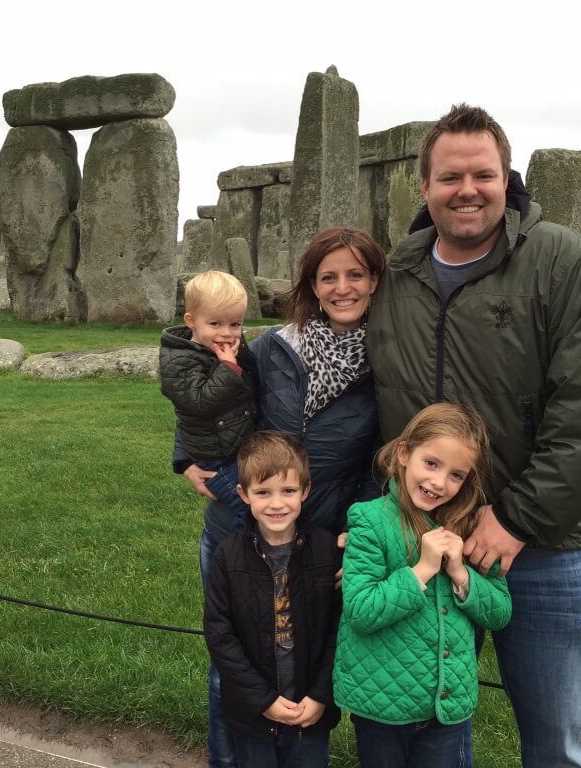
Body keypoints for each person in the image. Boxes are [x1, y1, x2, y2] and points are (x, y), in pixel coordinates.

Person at [367, 104, 581, 767]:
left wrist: (516, 518)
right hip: (420, 540)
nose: (467, 190)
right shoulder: (397, 274)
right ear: (423, 185)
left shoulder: (564, 261)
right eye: (450, 176)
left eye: (483, 174)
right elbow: (352, 390)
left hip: (545, 549)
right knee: (425, 729)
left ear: (507, 178)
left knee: (559, 748)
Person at [177, 226, 385, 768]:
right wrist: (185, 456)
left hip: (318, 543)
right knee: (233, 660)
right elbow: (209, 400)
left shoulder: (387, 361)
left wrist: (359, 530)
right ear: (312, 285)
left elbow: (384, 459)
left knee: (310, 656)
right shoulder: (272, 347)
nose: (342, 288)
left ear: (375, 281)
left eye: (355, 275)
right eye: (328, 276)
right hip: (237, 531)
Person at [335, 403, 511, 768]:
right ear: (403, 453)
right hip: (382, 706)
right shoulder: (368, 520)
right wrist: (423, 570)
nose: (438, 483)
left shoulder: (470, 525)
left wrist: (462, 574)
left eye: (456, 475)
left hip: (446, 706)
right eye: (431, 463)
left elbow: (499, 613)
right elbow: (361, 611)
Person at [204, 431, 341, 768]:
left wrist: (322, 695)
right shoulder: (228, 556)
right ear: (243, 494)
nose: (277, 504)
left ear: (305, 491)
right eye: (263, 492)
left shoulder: (326, 551)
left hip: (310, 710)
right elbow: (220, 635)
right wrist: (262, 700)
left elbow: (340, 630)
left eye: (288, 491)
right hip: (253, 714)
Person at [161, 270, 257, 523]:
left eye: (235, 324)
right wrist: (228, 368)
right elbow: (199, 403)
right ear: (191, 321)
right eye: (216, 324)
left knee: (256, 509)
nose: (227, 333)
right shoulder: (179, 361)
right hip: (214, 460)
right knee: (251, 513)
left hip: (237, 449)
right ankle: (239, 556)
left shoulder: (220, 349)